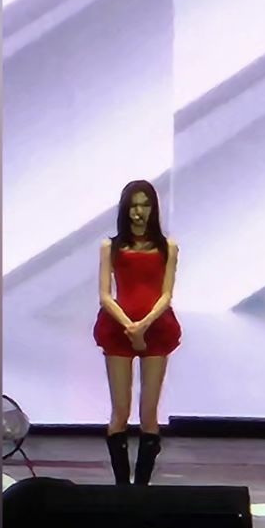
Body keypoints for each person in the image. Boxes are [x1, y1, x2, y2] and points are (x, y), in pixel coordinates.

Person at [93, 179, 181, 485]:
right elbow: (105, 295)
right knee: (120, 410)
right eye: (133, 206)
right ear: (125, 210)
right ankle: (122, 487)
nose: (138, 212)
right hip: (118, 328)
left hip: (156, 328)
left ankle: (142, 488)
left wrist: (144, 324)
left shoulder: (168, 247)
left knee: (149, 411)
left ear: (153, 208)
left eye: (144, 205)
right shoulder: (111, 247)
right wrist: (129, 325)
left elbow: (167, 294)